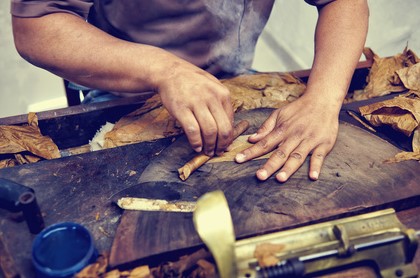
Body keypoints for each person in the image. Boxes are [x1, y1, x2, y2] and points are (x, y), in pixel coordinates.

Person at [10, 0, 369, 182]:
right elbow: (36, 28)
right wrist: (164, 70)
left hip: (236, 78)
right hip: (127, 84)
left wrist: (324, 99)